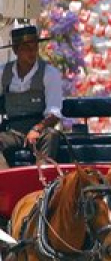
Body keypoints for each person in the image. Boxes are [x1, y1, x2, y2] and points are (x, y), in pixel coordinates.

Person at [1, 24, 64, 168]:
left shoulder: (49, 73)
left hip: (39, 129)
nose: (32, 52)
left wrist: (37, 129)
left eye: (34, 46)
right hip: (12, 130)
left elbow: (54, 112)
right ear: (16, 50)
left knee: (51, 135)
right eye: (26, 48)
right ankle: (4, 179)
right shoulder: (3, 73)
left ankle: (41, 181)